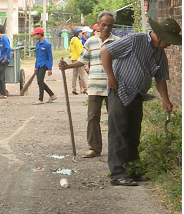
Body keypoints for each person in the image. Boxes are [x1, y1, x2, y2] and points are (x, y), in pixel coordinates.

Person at [101, 17, 181, 186]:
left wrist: (166, 100)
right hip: (119, 90)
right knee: (118, 133)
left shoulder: (160, 53)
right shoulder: (134, 40)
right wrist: (111, 77)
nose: (170, 45)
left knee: (133, 134)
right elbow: (106, 52)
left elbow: (160, 79)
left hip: (137, 95)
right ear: (160, 37)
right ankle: (117, 173)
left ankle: (133, 169)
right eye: (169, 41)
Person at [59, 11, 120, 158]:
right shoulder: (91, 41)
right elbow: (83, 61)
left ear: (113, 27)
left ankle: (116, 149)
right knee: (93, 117)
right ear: (98, 25)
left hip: (112, 87)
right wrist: (67, 66)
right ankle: (94, 148)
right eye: (104, 25)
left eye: (109, 25)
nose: (106, 28)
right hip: (94, 87)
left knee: (115, 118)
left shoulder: (118, 41)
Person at [31, 27, 57, 105]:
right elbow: (37, 56)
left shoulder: (47, 44)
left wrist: (50, 68)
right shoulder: (37, 44)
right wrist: (35, 66)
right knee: (40, 82)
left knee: (40, 80)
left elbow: (50, 57)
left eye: (36, 34)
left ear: (40, 34)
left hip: (44, 64)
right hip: (39, 64)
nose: (35, 36)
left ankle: (41, 99)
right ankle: (52, 94)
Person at [69, 27, 87, 95]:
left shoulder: (72, 41)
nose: (81, 34)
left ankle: (74, 89)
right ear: (77, 33)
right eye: (80, 32)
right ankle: (85, 89)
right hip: (78, 58)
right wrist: (83, 58)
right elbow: (80, 51)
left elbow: (70, 50)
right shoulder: (77, 41)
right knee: (82, 74)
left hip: (73, 58)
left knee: (74, 75)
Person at [0, 24, 11, 98]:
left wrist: (5, 58)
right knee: (1, 77)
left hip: (3, 61)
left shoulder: (4, 39)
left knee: (0, 77)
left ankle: (3, 93)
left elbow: (8, 48)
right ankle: (4, 92)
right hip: (0, 60)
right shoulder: (1, 40)